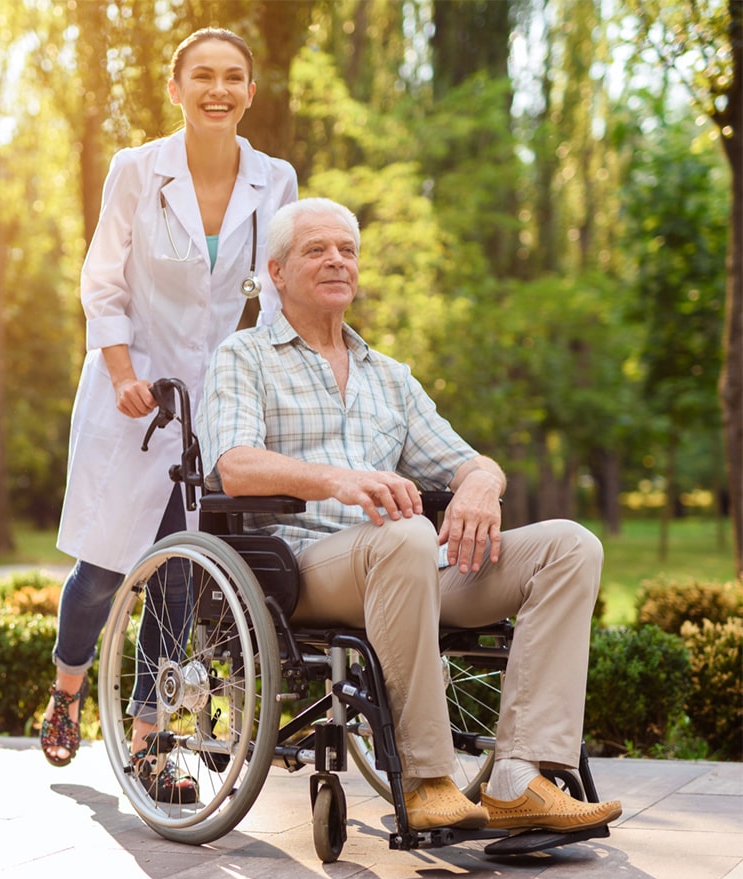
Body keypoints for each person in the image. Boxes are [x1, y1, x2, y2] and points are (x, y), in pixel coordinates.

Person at [196, 198, 622, 833]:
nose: (337, 260)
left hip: (415, 561)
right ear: (278, 271)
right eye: (317, 250)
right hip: (303, 565)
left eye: (347, 250)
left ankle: (518, 778)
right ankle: (427, 778)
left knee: (569, 545)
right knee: (403, 534)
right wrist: (337, 481)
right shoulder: (244, 356)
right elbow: (235, 465)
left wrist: (482, 486)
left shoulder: (388, 377)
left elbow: (466, 460)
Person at [42, 28, 298, 803]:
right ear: (178, 87)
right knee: (103, 569)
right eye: (203, 77)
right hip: (135, 393)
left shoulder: (275, 179)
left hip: (216, 401)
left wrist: (266, 382)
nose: (218, 90)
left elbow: (277, 291)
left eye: (233, 78)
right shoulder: (136, 170)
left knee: (183, 573)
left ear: (250, 92)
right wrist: (122, 373)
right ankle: (66, 687)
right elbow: (103, 280)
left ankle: (149, 742)